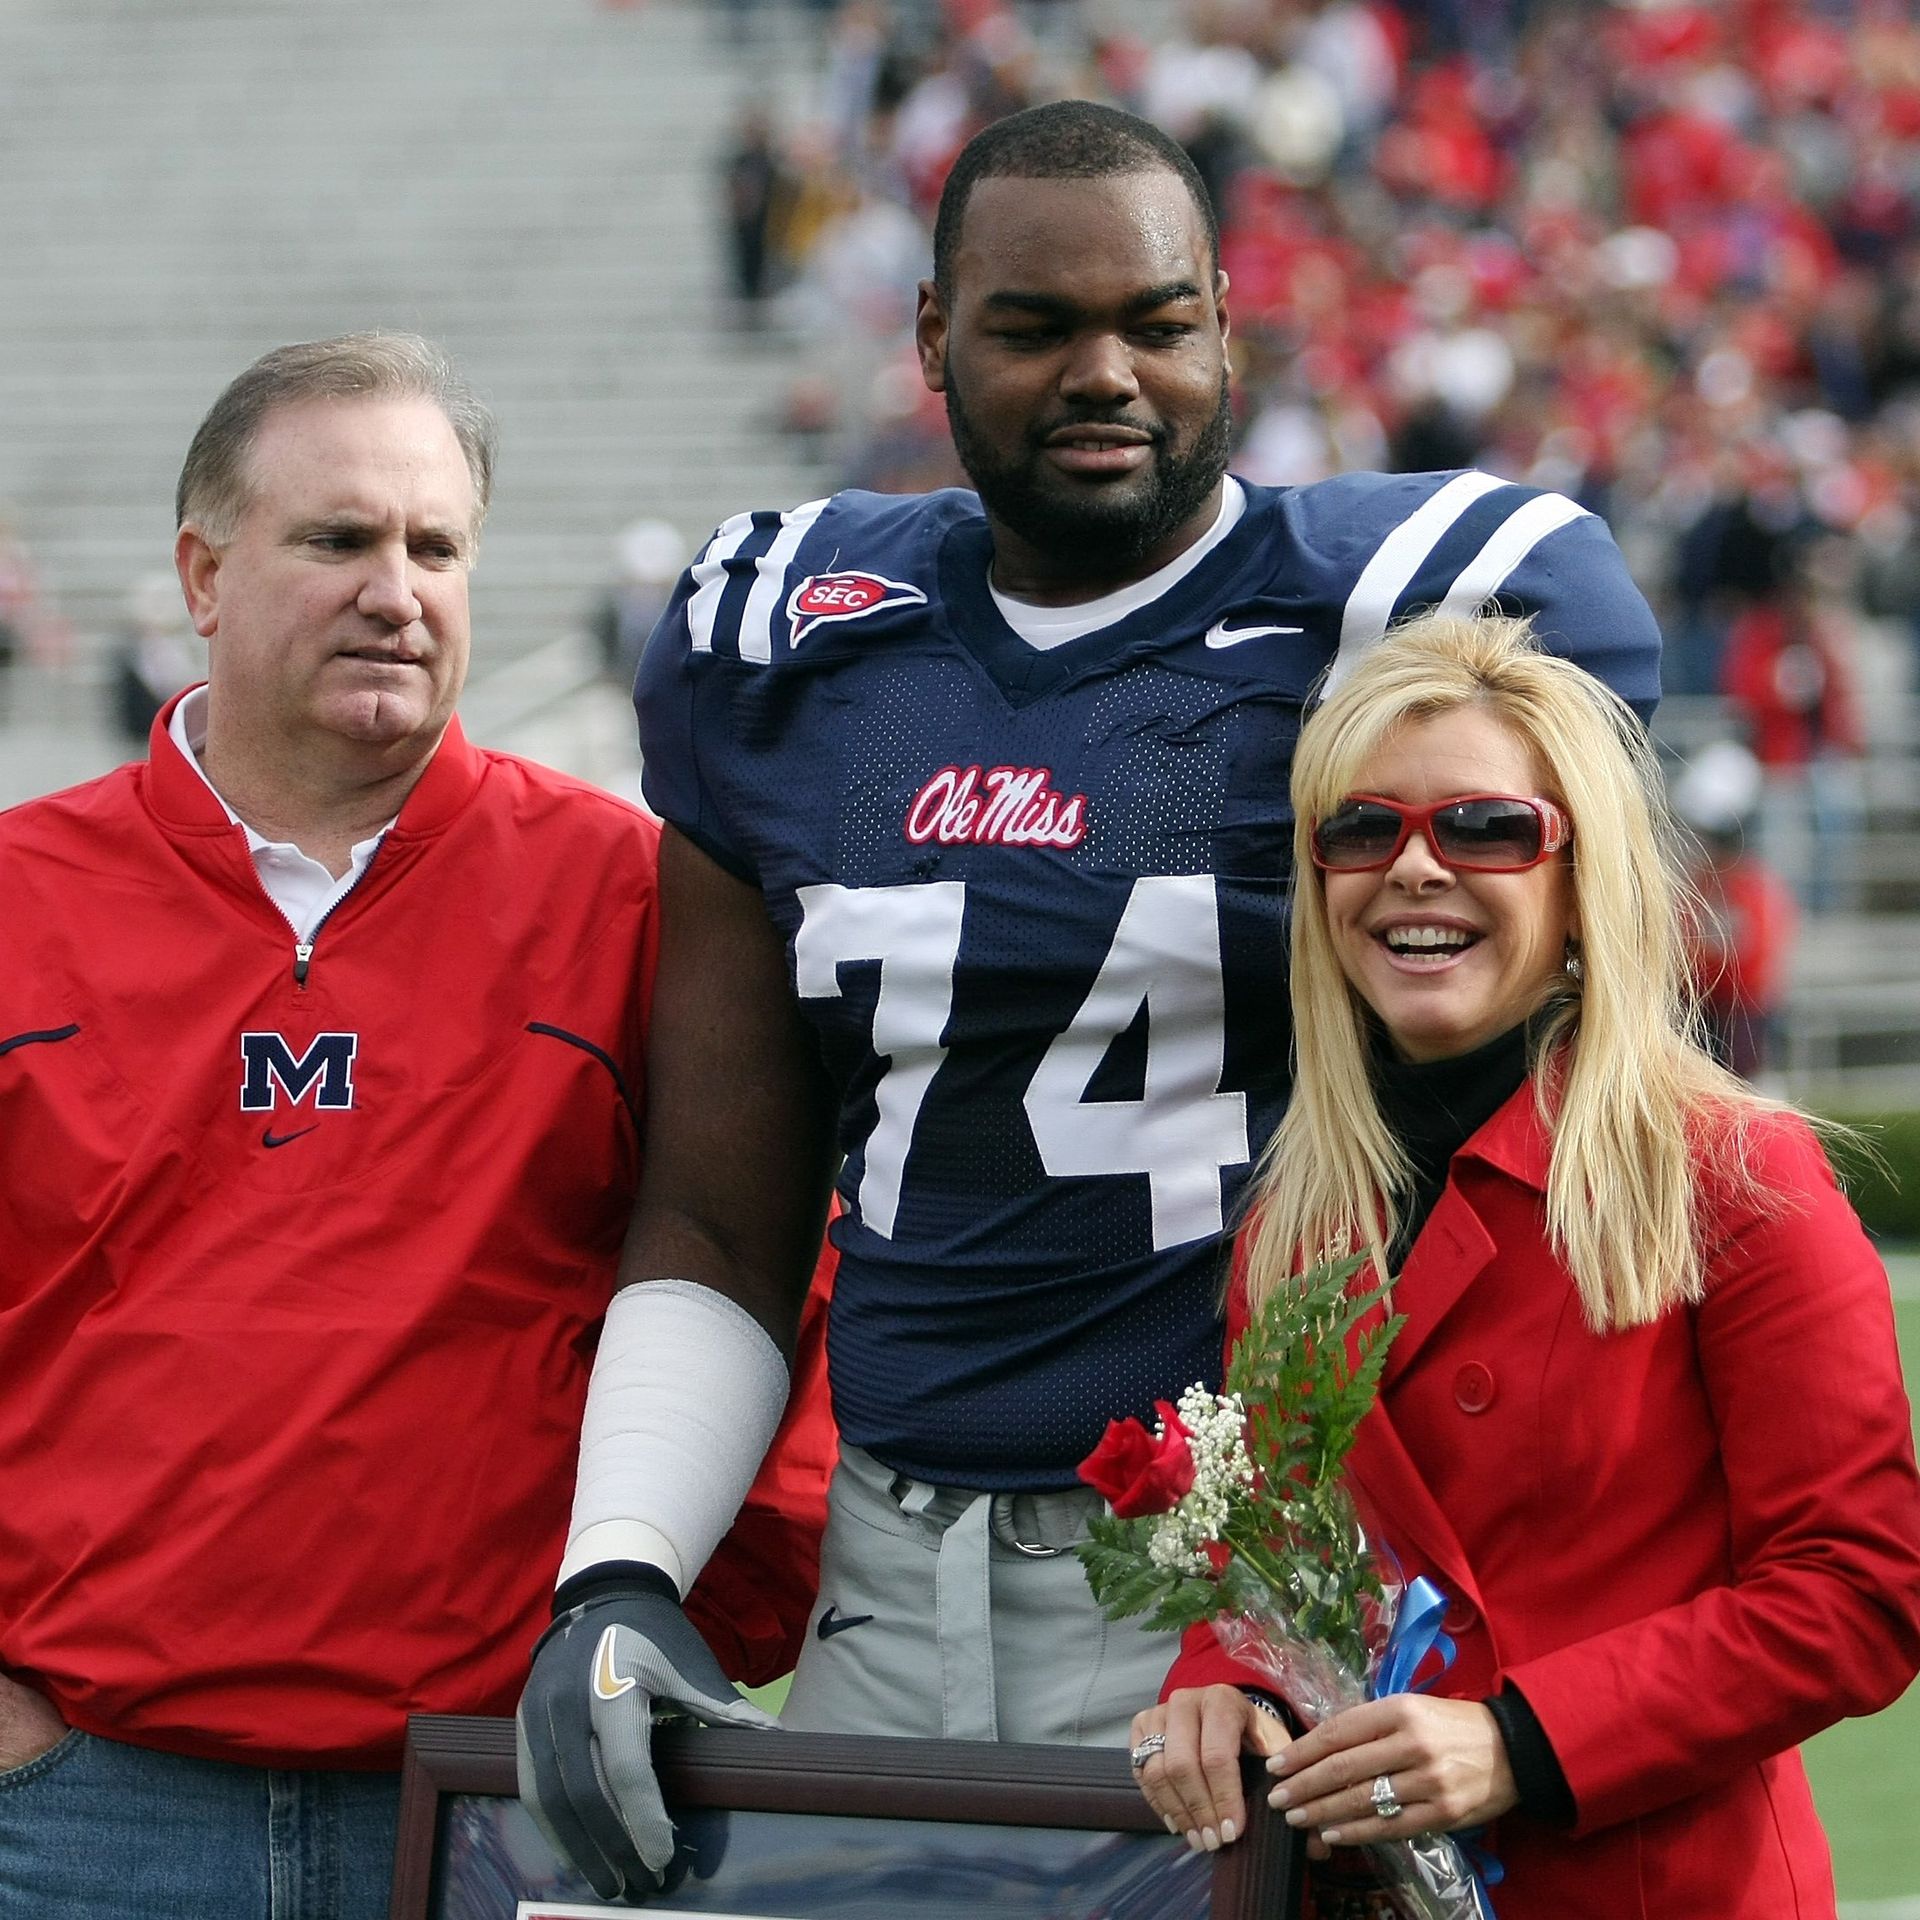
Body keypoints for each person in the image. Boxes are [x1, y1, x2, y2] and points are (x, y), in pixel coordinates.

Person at [516, 98, 1663, 1902]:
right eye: (1034, 328)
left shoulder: (1389, 611)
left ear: (1229, 318)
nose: (1104, 374)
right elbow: (726, 1205)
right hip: (888, 1580)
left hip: (1247, 1587)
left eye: (1155, 320)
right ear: (932, 341)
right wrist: (623, 1563)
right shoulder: (787, 647)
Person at [0, 333, 834, 1920]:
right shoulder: (15, 894)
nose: (398, 588)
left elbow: (774, 1279)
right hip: (81, 1805)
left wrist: (685, 1623)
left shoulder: (637, 894)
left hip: (509, 1795)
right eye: (338, 540)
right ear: (202, 574)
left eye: (434, 545)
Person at [1128, 614, 1920, 1919]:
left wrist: (1522, 1742)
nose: (1415, 869)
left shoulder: (1732, 1171)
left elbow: (1860, 1591)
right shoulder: (1298, 1212)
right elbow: (1276, 1557)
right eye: (1363, 830)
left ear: (1576, 876)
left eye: (1486, 828)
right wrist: (1217, 1682)